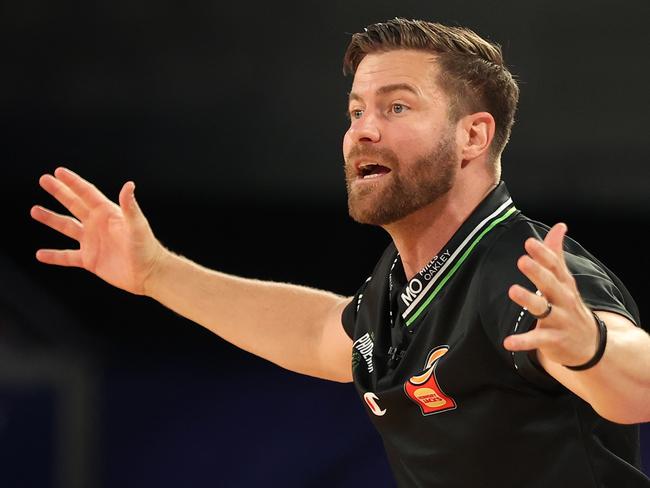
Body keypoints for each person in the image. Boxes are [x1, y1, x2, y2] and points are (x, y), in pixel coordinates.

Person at [31, 18, 649, 487]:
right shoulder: (402, 285)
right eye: (356, 110)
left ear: (472, 136)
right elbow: (320, 333)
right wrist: (155, 272)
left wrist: (591, 346)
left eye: (396, 106)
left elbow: (636, 384)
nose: (363, 129)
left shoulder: (520, 271)